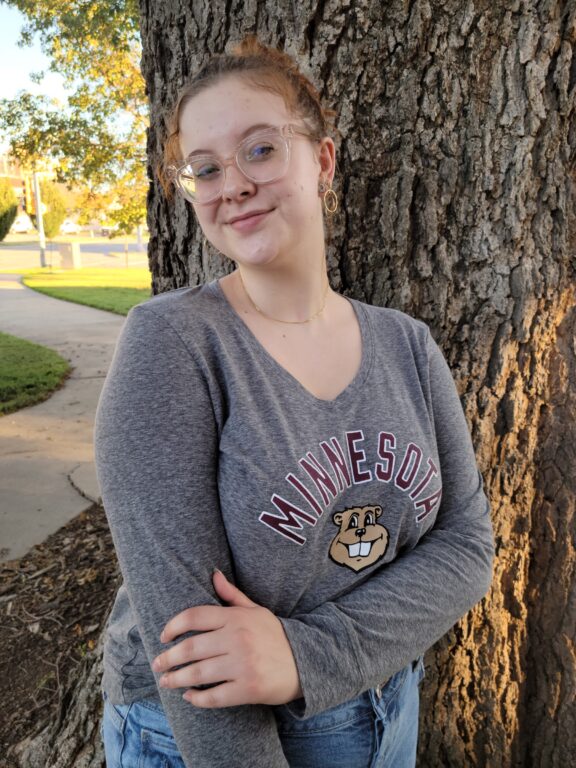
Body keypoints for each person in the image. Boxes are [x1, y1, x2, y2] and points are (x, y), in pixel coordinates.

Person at [94, 36, 494, 768]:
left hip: (387, 708)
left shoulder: (407, 345)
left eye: (261, 150)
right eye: (204, 169)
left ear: (324, 161)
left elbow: (469, 549)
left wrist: (307, 653)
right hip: (206, 741)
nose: (232, 185)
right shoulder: (174, 345)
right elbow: (192, 657)